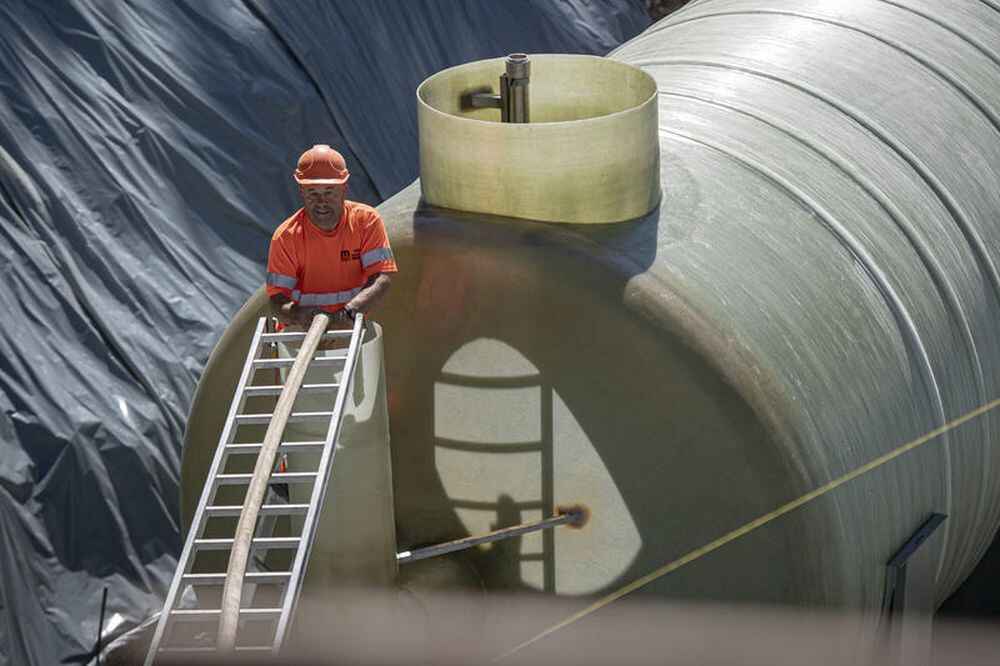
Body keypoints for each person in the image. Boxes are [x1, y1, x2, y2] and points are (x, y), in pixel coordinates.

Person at [266, 145, 397, 328]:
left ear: (344, 188)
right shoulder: (285, 237)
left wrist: (347, 314)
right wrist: (299, 315)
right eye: (313, 192)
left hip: (351, 329)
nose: (322, 202)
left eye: (329, 192)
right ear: (301, 191)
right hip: (301, 334)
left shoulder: (366, 222)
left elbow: (382, 278)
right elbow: (276, 299)